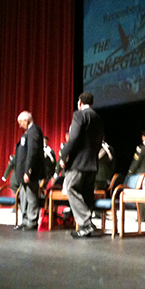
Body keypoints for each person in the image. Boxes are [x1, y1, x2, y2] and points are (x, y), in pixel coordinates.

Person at [60, 92, 104, 238]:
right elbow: (99, 142)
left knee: (71, 188)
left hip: (78, 163)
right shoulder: (98, 118)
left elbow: (73, 138)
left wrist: (64, 156)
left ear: (80, 102)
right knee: (86, 194)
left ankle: (86, 223)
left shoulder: (79, 115)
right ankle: (86, 227)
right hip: (92, 163)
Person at [14, 111, 44, 231]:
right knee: (24, 197)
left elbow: (33, 153)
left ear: (26, 120)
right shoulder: (29, 132)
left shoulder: (34, 131)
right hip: (23, 172)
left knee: (31, 197)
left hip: (30, 172)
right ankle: (25, 220)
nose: (20, 125)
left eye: (21, 122)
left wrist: (28, 171)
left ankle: (32, 221)